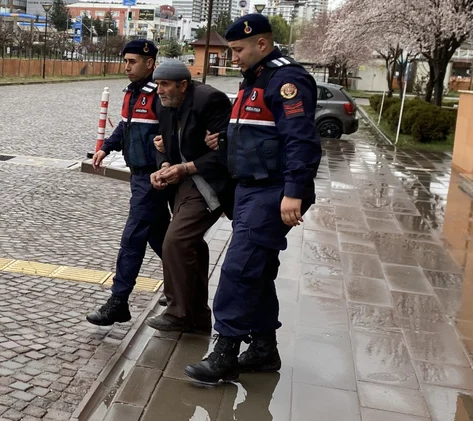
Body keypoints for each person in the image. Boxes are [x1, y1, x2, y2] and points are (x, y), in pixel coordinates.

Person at [184, 15, 322, 383]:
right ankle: (263, 349)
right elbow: (261, 133)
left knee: (238, 269)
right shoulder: (255, 80)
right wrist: (224, 141)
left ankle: (225, 351)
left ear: (262, 44)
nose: (233, 57)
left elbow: (300, 141)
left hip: (272, 190)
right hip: (251, 190)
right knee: (257, 271)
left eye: (238, 50)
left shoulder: (286, 80)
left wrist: (294, 191)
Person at [144, 60, 234, 333]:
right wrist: (162, 167)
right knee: (191, 245)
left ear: (183, 85)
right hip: (182, 184)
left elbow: (224, 152)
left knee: (176, 240)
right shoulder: (162, 103)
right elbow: (162, 143)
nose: (159, 90)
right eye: (158, 84)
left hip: (209, 183)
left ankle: (178, 311)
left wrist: (184, 168)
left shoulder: (211, 100)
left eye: (165, 85)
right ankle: (197, 315)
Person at [87, 39, 171, 326]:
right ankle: (182, 287)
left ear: (150, 64)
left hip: (153, 177)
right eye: (125, 61)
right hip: (138, 175)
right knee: (160, 236)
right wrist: (106, 147)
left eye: (132, 61)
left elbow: (174, 130)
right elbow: (125, 125)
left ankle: (119, 301)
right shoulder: (131, 94)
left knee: (133, 237)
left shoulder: (158, 94)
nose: (127, 67)